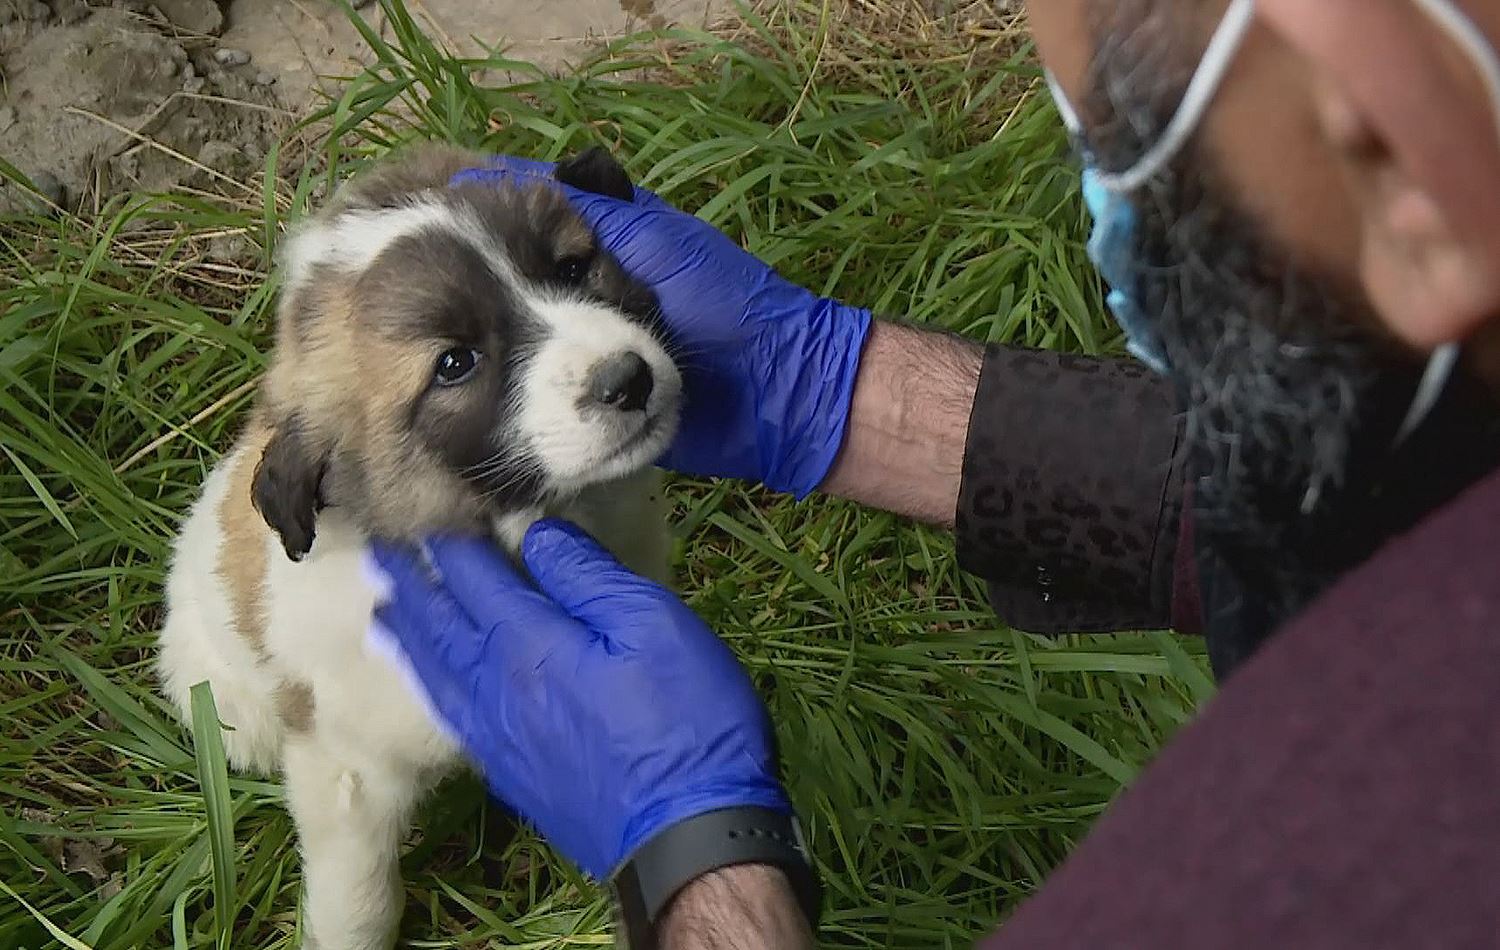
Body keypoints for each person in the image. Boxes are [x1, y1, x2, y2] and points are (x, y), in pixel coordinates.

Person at [366, 0, 1500, 946]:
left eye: (1118, 137)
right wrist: (846, 393)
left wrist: (703, 868)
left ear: (1399, 146)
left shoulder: (1337, 874)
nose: (1101, 178)